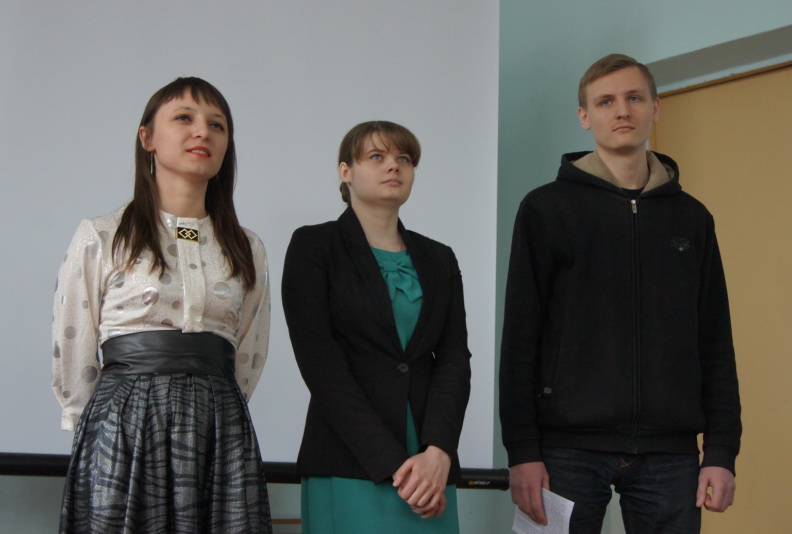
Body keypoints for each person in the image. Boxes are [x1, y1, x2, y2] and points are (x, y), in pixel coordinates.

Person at [499, 54, 742, 533]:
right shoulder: (545, 209)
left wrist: (720, 451)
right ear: (585, 116)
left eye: (634, 98)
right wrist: (522, 451)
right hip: (565, 450)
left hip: (670, 454)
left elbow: (715, 342)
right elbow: (521, 338)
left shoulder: (692, 218)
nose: (622, 111)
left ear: (656, 107)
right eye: (605, 101)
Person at [52, 77, 272, 533]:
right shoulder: (102, 235)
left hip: (218, 424)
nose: (202, 132)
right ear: (147, 137)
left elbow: (249, 350)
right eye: (184, 118)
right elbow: (74, 344)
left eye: (217, 125)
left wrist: (215, 406)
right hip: (124, 423)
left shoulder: (247, 247)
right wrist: (92, 430)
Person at [282, 121, 472, 533]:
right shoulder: (314, 246)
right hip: (351, 457)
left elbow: (454, 359)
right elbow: (321, 364)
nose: (393, 166)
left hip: (430, 466)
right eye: (376, 156)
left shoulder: (439, 257)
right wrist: (394, 464)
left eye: (404, 158)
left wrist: (439, 452)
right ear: (345, 171)